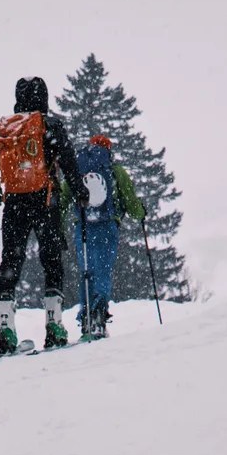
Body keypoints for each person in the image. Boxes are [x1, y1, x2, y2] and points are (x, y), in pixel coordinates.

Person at [0, 76, 87, 352]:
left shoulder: (6, 130)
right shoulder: (51, 126)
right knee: (51, 261)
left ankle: (5, 329)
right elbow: (70, 165)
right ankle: (54, 325)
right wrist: (80, 193)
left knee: (10, 262)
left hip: (14, 204)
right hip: (46, 202)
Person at [69, 134, 144, 339]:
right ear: (109, 150)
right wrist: (141, 213)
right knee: (103, 271)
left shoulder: (78, 170)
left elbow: (66, 195)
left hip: (82, 227)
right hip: (107, 227)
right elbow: (131, 203)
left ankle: (86, 319)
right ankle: (99, 317)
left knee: (87, 272)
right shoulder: (115, 171)